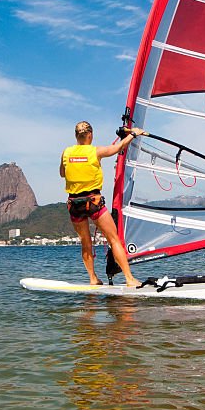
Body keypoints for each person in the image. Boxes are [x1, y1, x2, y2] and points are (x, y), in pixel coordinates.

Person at [60, 121, 144, 287]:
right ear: (90, 135)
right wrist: (133, 134)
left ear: (76, 136)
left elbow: (62, 174)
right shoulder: (96, 151)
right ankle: (129, 279)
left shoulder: (66, 152)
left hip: (74, 203)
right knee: (114, 240)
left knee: (85, 242)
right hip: (93, 202)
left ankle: (93, 279)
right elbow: (117, 148)